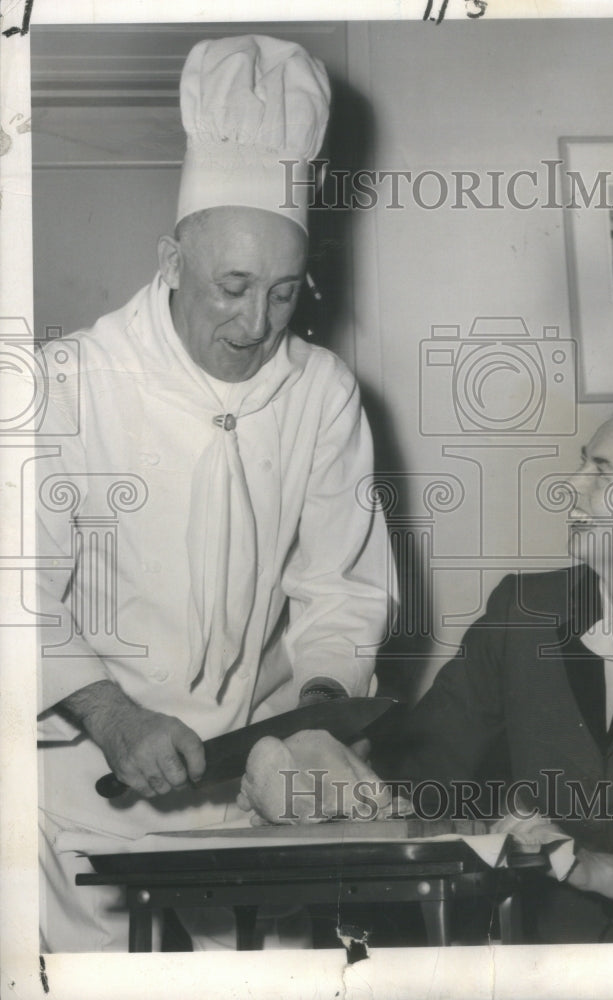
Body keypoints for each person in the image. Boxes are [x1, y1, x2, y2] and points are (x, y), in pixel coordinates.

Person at [33, 35, 393, 952]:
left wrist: (318, 707)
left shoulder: (321, 393)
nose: (256, 324)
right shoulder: (65, 384)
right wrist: (113, 716)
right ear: (172, 258)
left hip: (251, 789)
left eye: (282, 293)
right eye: (232, 287)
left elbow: (340, 588)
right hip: (86, 793)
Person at [241, 384, 613, 944]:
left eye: (604, 474)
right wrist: (330, 777)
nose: (572, 484)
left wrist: (609, 873)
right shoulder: (522, 613)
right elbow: (423, 771)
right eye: (582, 460)